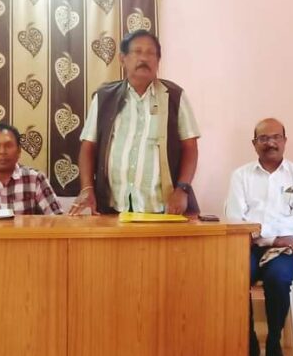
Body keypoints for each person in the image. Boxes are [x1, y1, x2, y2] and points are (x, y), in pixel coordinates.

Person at [70, 29, 200, 216]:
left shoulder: (174, 97)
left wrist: (182, 189)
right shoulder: (104, 97)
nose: (144, 58)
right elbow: (88, 146)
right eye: (137, 51)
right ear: (122, 59)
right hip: (113, 208)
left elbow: (190, 147)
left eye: (151, 53)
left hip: (161, 210)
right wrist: (87, 189)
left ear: (158, 61)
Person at [225, 118, 293, 356]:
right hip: (249, 246)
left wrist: (261, 231)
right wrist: (274, 238)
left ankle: (273, 343)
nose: (270, 143)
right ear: (254, 144)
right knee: (235, 275)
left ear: (285, 141)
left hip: (287, 249)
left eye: (276, 137)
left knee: (277, 277)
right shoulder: (241, 175)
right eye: (263, 138)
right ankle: (249, 340)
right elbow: (235, 219)